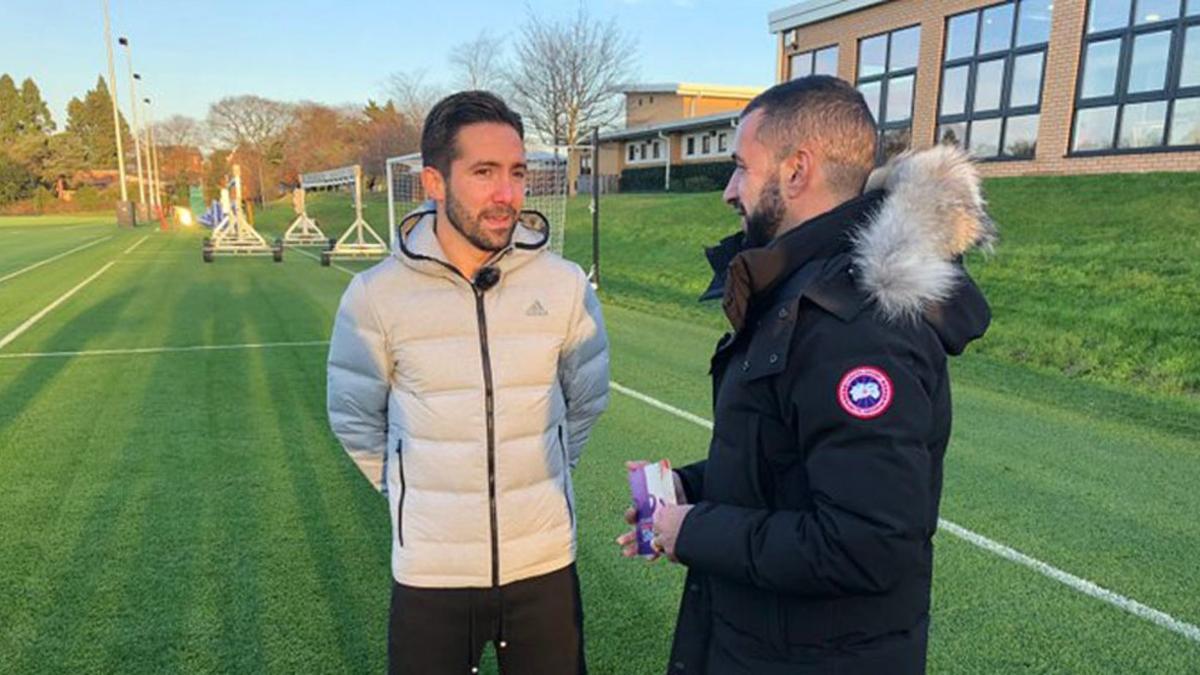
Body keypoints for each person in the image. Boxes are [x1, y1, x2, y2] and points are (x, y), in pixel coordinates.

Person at [618, 76, 993, 674]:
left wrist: (694, 532)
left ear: (796, 171)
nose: (729, 191)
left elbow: (864, 544)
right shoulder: (802, 288)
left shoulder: (859, 325)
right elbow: (791, 461)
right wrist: (696, 487)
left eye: (742, 167)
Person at [328, 90, 609, 675]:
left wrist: (537, 473)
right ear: (433, 182)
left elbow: (585, 401)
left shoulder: (563, 285)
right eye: (484, 173)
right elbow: (355, 419)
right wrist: (415, 493)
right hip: (431, 571)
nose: (506, 194)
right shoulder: (376, 296)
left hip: (544, 564)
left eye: (517, 172)